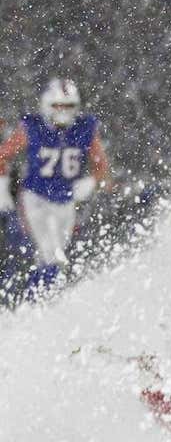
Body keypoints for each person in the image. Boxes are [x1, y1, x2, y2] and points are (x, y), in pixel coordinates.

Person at [0, 79, 111, 295]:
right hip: (35, 197)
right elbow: (3, 155)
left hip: (66, 200)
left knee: (58, 255)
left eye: (68, 106)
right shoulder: (32, 127)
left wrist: (92, 181)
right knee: (46, 251)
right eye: (58, 106)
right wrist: (2, 186)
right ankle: (35, 299)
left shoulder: (84, 128)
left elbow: (103, 168)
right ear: (46, 105)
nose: (63, 112)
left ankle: (46, 297)